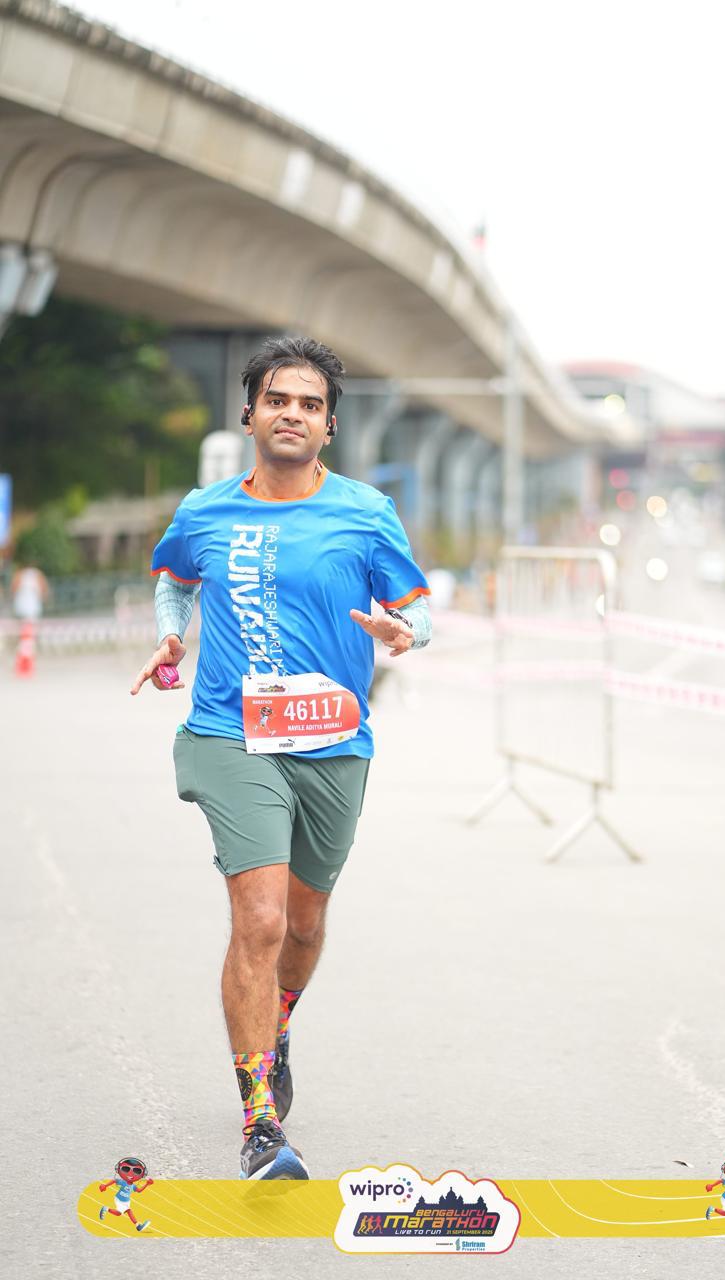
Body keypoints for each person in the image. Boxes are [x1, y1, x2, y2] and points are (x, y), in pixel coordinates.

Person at [131, 336, 430, 1181]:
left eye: (308, 404)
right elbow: (175, 580)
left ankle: (279, 1020)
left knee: (303, 924)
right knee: (259, 920)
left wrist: (407, 633)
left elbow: (418, 606)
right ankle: (260, 1121)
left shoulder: (367, 513)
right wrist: (169, 631)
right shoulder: (205, 511)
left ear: (328, 426)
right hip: (232, 734)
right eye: (277, 400)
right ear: (250, 413)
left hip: (333, 739)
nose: (291, 414)